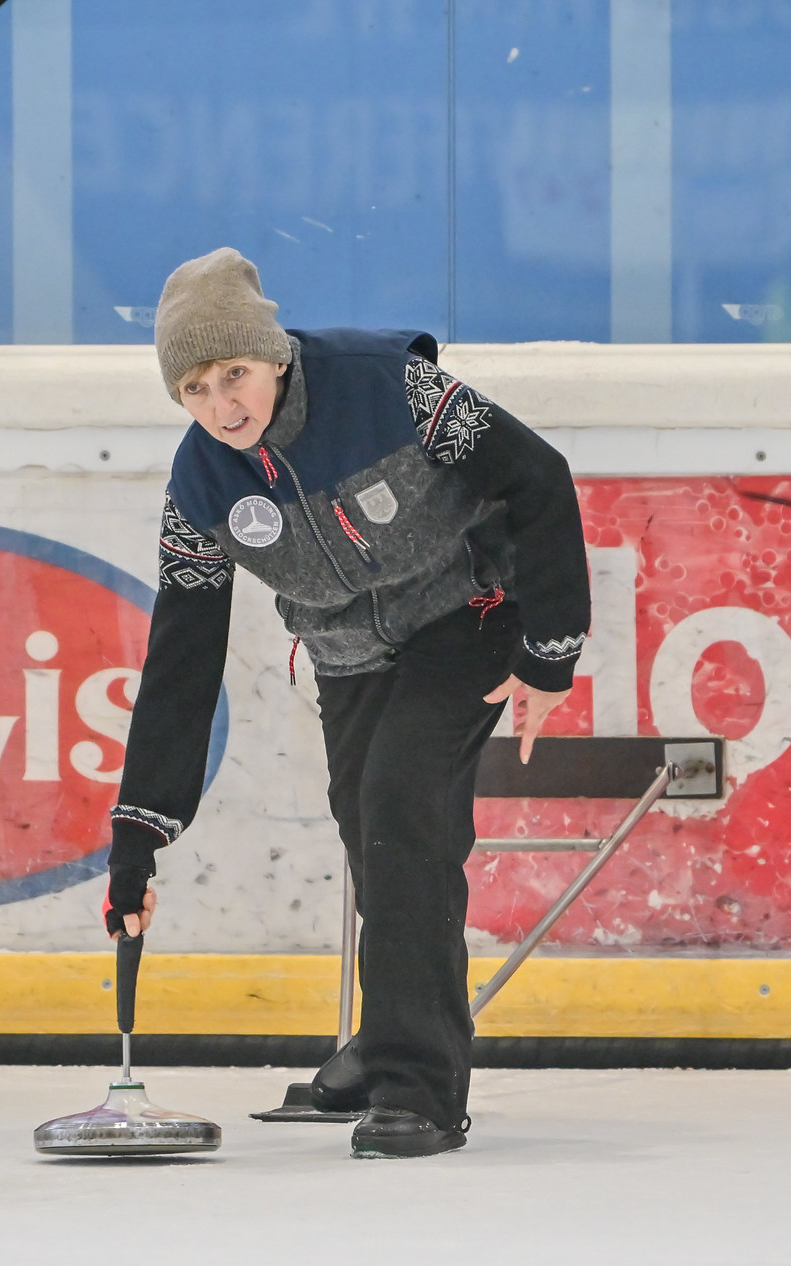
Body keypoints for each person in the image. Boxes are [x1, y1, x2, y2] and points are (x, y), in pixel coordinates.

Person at [104, 248, 591, 1158]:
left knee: (403, 807)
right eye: (195, 389)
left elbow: (539, 474)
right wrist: (141, 829)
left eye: (235, 374)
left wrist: (549, 649)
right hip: (346, 653)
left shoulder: (390, 388)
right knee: (373, 829)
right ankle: (390, 1032)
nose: (223, 406)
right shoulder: (200, 487)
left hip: (467, 612)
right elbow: (182, 657)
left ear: (272, 354)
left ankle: (418, 1087)